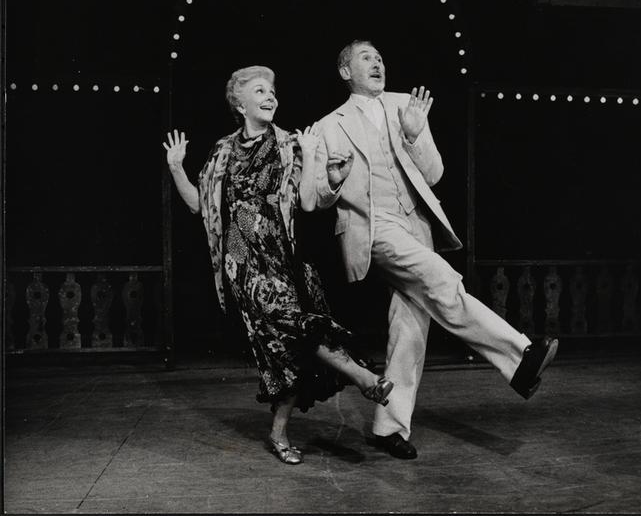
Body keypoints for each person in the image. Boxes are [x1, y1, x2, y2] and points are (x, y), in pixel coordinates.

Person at [310, 40, 558, 460]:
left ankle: (388, 427)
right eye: (366, 58)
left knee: (409, 325)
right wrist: (333, 179)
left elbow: (434, 173)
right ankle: (520, 356)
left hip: (416, 224)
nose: (377, 62)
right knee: (440, 276)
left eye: (380, 57)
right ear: (345, 72)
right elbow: (317, 197)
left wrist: (412, 135)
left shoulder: (407, 106)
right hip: (374, 228)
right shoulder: (328, 126)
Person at [162, 65, 393, 465]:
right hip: (240, 254)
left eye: (271, 91)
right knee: (288, 321)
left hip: (284, 255)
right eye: (259, 91)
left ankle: (279, 432)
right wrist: (176, 167)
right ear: (240, 104)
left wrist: (318, 162)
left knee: (287, 346)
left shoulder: (289, 144)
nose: (270, 96)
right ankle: (364, 378)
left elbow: (308, 203)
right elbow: (200, 205)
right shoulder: (222, 151)